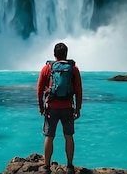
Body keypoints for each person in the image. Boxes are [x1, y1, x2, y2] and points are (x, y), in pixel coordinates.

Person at [37, 42, 83, 174]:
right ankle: (69, 166)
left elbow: (39, 89)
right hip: (67, 107)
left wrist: (41, 107)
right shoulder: (73, 69)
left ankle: (46, 167)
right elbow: (79, 91)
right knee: (68, 136)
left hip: (51, 106)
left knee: (49, 136)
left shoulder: (47, 68)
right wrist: (78, 108)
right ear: (66, 54)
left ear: (54, 55)